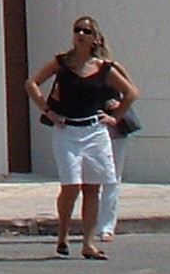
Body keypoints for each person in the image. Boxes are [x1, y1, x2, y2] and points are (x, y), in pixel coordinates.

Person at [27, 16, 137, 260]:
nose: (81, 34)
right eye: (77, 30)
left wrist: (115, 117)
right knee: (71, 186)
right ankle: (63, 234)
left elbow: (131, 92)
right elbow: (31, 83)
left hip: (94, 131)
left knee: (92, 187)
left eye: (86, 31)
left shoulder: (103, 67)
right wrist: (48, 111)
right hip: (67, 130)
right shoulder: (62, 63)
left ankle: (88, 243)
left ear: (94, 37)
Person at [96, 51, 140, 242]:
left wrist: (119, 105)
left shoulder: (112, 67)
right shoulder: (79, 69)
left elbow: (133, 91)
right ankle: (94, 223)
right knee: (91, 177)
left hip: (114, 127)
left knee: (112, 177)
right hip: (90, 126)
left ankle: (107, 226)